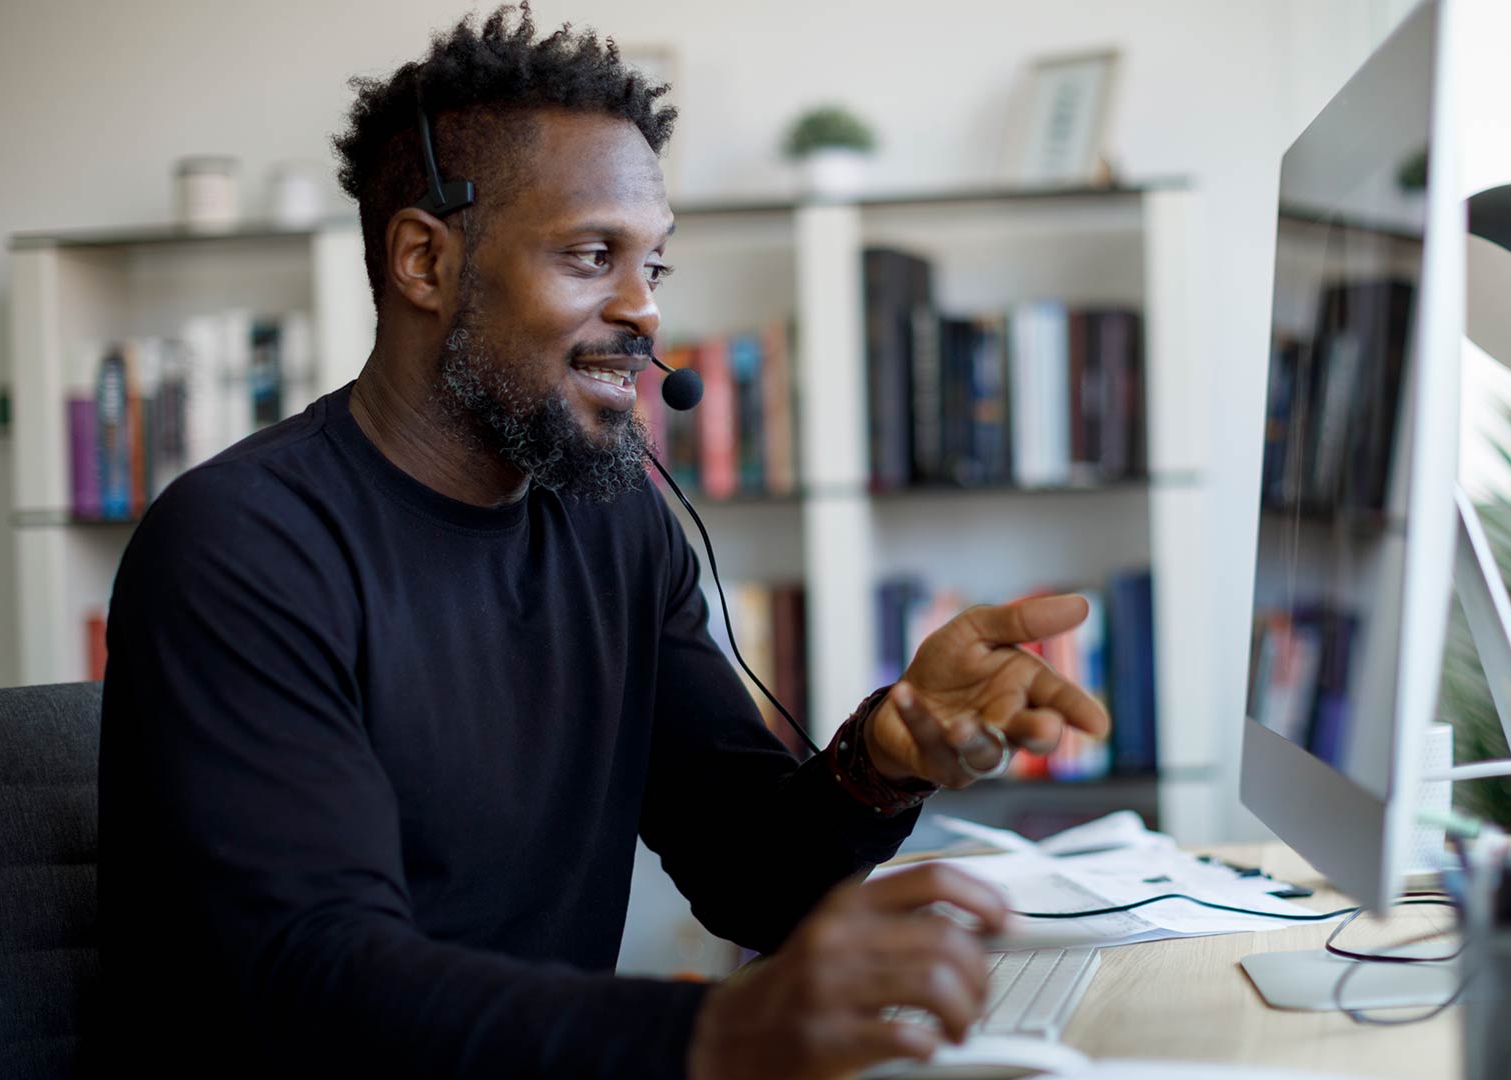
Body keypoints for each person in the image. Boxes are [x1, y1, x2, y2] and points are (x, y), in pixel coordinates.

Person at [97, 7, 1110, 1078]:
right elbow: (316, 983)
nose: (643, 312)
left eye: (654, 267)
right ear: (423, 263)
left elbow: (749, 878)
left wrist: (882, 762)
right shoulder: (243, 548)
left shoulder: (614, 524)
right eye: (592, 256)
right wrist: (713, 1034)